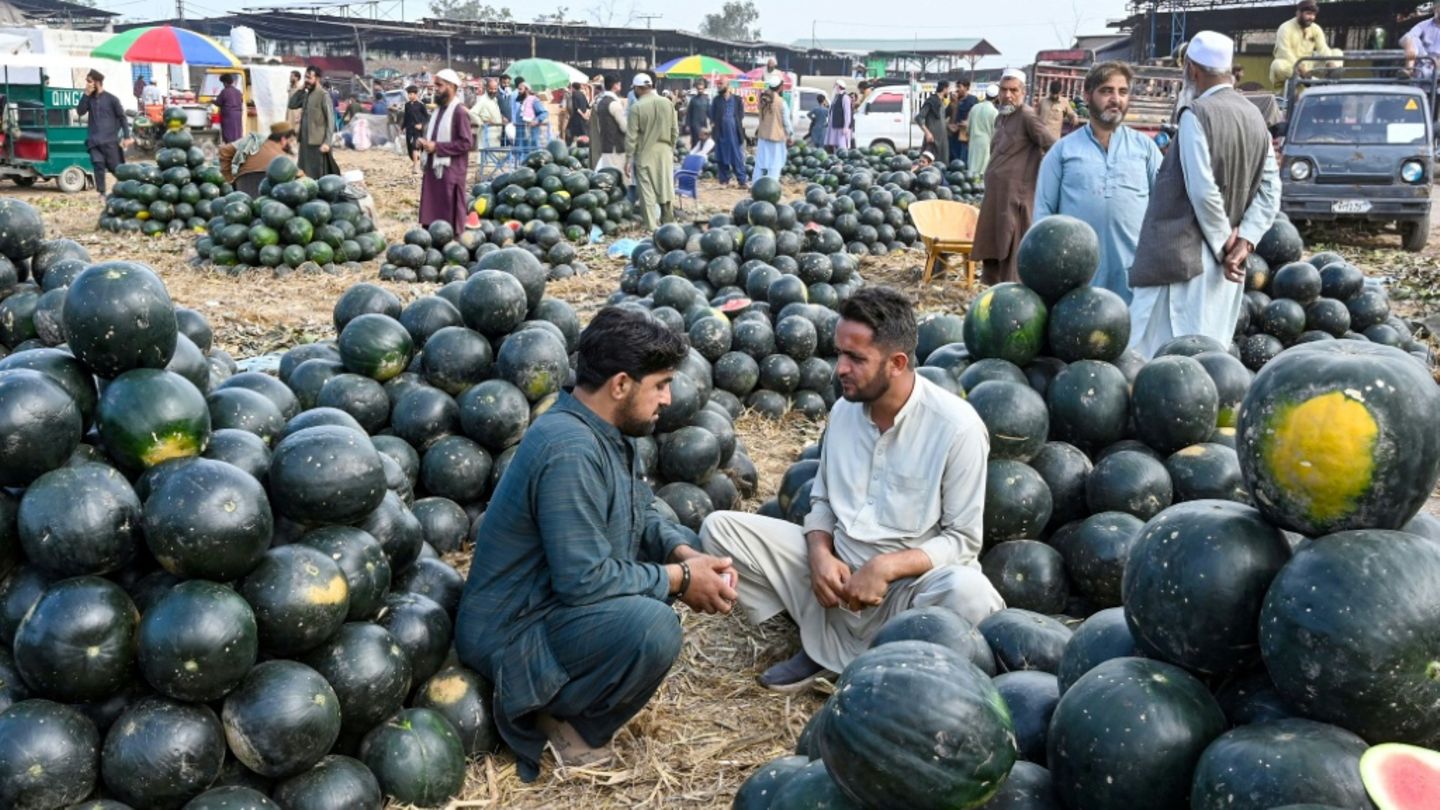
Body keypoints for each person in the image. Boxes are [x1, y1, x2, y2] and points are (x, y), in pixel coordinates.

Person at [455, 306, 736, 781]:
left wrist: (682, 554)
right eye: (661, 384)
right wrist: (679, 579)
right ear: (621, 385)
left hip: (546, 606)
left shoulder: (603, 433)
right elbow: (584, 582)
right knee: (650, 627)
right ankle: (562, 723)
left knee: (657, 589)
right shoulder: (571, 449)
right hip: (510, 630)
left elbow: (641, 510)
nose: (668, 399)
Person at [701, 286, 1002, 690]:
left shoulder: (957, 428)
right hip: (836, 581)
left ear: (897, 363)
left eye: (856, 358)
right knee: (719, 529)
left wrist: (886, 567)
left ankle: (886, 661)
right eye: (840, 353)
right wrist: (820, 552)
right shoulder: (843, 411)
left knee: (971, 593)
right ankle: (822, 641)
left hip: (904, 594)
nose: (840, 368)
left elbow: (963, 541)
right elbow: (822, 499)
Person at [1129, 32, 1280, 359]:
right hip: (1228, 267)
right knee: (1209, 355)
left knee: (1163, 357)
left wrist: (1226, 245)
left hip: (1185, 260)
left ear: (1191, 70)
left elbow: (1203, 192)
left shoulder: (1195, 113)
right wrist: (1246, 242)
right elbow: (1271, 191)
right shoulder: (1257, 116)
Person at [1034, 62, 1163, 304]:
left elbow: (1165, 207)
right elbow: (1043, 214)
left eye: (1122, 92)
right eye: (1106, 91)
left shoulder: (1145, 148)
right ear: (1087, 95)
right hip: (1079, 284)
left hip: (1134, 283)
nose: (1116, 99)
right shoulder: (1063, 151)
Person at [973, 70, 1055, 285]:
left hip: (1015, 199)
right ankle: (994, 292)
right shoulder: (1001, 116)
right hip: (996, 196)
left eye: (1013, 90)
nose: (1008, 95)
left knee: (1012, 245)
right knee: (994, 246)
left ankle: (1012, 296)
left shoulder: (1028, 116)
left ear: (1023, 93)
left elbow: (1053, 146)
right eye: (1004, 90)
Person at [417, 69, 474, 230]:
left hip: (450, 170)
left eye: (439, 85)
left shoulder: (459, 112)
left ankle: (451, 240)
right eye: (435, 85)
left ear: (451, 86)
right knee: (432, 205)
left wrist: (437, 147)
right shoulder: (438, 110)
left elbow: (466, 143)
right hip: (433, 167)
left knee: (449, 209)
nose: (436, 89)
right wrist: (425, 143)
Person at [626, 73, 678, 230]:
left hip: (645, 152)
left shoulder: (636, 107)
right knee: (666, 187)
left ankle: (652, 226)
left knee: (647, 191)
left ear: (639, 88)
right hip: (665, 150)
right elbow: (674, 130)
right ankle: (668, 224)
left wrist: (629, 159)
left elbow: (631, 137)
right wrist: (671, 149)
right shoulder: (667, 103)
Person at [76, 70, 132, 197]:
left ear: (97, 82)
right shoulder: (88, 99)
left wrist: (127, 136)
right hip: (94, 141)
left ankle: (127, 189)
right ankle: (101, 193)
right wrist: (85, 94)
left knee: (116, 168)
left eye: (89, 82)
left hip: (110, 141)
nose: (87, 85)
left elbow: (122, 118)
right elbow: (80, 112)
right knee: (98, 165)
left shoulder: (112, 99)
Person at [1270, 0, 1343, 88]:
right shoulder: (1285, 28)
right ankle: (1312, 81)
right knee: (1277, 65)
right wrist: (1301, 68)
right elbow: (1285, 53)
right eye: (1308, 14)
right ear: (1298, 13)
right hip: (1292, 67)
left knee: (1337, 53)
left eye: (1313, 15)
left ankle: (1329, 83)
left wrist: (1330, 63)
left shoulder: (1315, 28)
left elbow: (1323, 48)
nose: (1311, 17)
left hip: (1309, 67)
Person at [288, 65, 339, 178]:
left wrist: (327, 142)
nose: (306, 80)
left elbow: (331, 120)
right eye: (305, 77)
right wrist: (301, 90)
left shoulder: (323, 95)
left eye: (309, 78)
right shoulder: (306, 94)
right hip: (304, 141)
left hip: (318, 143)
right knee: (303, 172)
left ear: (317, 79)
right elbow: (292, 105)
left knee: (318, 174)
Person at [219, 121, 297, 183]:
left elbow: (224, 150)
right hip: (268, 196)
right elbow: (299, 175)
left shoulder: (253, 141)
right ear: (283, 140)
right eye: (291, 140)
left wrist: (228, 178)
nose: (292, 144)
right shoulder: (284, 159)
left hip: (242, 188)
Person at [751, 74, 792, 183]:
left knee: (760, 162)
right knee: (775, 163)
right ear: (780, 87)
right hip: (776, 138)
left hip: (763, 136)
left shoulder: (762, 99)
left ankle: (756, 183)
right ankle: (772, 185)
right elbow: (786, 122)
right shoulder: (781, 102)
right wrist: (790, 135)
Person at [710, 81, 747, 188]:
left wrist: (732, 122)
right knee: (721, 157)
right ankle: (724, 181)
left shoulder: (737, 99)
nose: (719, 86)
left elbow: (741, 115)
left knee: (737, 157)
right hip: (720, 133)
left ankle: (742, 181)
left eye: (721, 84)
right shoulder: (716, 100)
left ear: (727, 85)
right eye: (718, 84)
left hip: (734, 133)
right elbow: (712, 116)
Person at [592, 75, 628, 174]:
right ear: (615, 86)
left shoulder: (600, 102)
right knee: (618, 176)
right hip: (616, 146)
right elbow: (624, 127)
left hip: (605, 145)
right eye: (619, 83)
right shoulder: (614, 104)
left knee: (607, 175)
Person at [968, 84, 999, 175]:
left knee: (972, 166)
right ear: (996, 98)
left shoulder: (975, 108)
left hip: (973, 141)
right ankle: (979, 187)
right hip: (986, 143)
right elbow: (995, 133)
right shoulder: (994, 112)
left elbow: (968, 128)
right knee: (982, 169)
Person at [1402, 4, 1440, 80]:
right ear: (1435, 9)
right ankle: (1409, 70)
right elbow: (1408, 36)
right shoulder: (1424, 25)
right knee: (1412, 39)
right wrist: (1409, 46)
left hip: (1437, 65)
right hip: (1424, 61)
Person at [919, 81, 950, 165]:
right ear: (944, 89)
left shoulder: (941, 102)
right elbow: (919, 118)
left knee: (942, 165)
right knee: (929, 166)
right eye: (948, 89)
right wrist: (927, 133)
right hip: (932, 140)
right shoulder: (931, 101)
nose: (949, 92)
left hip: (942, 140)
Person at [514, 79, 548, 154]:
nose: (518, 91)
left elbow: (544, 113)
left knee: (532, 152)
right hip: (521, 133)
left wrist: (536, 120)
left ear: (526, 90)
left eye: (520, 89)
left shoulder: (534, 100)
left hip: (531, 132)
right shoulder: (522, 101)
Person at [949, 77, 976, 166]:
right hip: (953, 135)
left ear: (966, 88)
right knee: (953, 159)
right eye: (957, 86)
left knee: (963, 160)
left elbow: (975, 116)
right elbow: (947, 115)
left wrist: (966, 123)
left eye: (959, 87)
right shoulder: (954, 100)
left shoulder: (973, 100)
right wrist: (954, 104)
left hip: (964, 136)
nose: (957, 89)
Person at [402, 85, 429, 173]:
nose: (409, 96)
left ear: (416, 94)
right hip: (409, 129)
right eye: (408, 94)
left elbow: (426, 117)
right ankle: (416, 163)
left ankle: (416, 167)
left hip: (417, 130)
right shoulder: (407, 105)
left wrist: (422, 124)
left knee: (415, 147)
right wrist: (402, 127)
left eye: (411, 94)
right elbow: (405, 117)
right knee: (410, 148)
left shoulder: (421, 105)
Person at [472, 79, 504, 150]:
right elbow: (472, 113)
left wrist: (502, 117)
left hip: (496, 134)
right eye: (491, 89)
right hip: (487, 133)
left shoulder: (494, 100)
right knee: (486, 156)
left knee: (494, 156)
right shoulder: (483, 100)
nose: (493, 91)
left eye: (495, 89)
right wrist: (481, 122)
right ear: (486, 88)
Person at [825, 79, 854, 152]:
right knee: (834, 144)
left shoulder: (845, 97)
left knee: (842, 145)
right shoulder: (836, 97)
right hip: (835, 125)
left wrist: (846, 126)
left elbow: (847, 113)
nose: (834, 87)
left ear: (838, 86)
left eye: (835, 85)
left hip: (841, 127)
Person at [685, 78, 710, 147]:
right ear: (696, 89)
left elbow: (710, 113)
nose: (700, 90)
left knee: (704, 142)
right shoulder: (693, 100)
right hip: (694, 125)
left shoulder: (707, 100)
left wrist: (713, 122)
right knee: (695, 142)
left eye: (701, 89)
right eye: (699, 89)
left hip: (703, 124)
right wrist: (687, 125)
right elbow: (689, 113)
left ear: (704, 89)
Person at [566, 81, 591, 145]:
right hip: (583, 119)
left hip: (577, 118)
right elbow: (588, 107)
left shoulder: (574, 94)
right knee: (584, 134)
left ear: (573, 87)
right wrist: (586, 115)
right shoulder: (582, 94)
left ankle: (569, 147)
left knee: (569, 132)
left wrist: (583, 115)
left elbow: (577, 108)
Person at [497, 74, 515, 146]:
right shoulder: (496, 93)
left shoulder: (511, 93)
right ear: (500, 82)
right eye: (504, 83)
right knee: (501, 141)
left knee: (509, 141)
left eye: (508, 83)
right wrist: (501, 117)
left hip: (510, 122)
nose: (506, 85)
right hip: (500, 121)